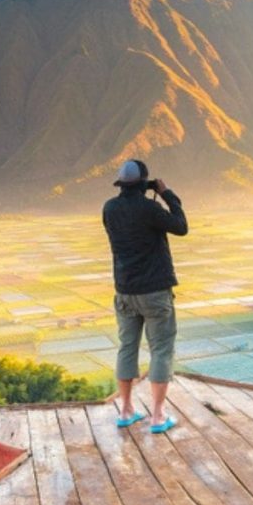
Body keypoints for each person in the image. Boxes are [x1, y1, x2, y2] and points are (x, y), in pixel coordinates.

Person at [102, 158, 188, 433]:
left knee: (127, 347)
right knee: (161, 349)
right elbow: (180, 226)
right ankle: (158, 416)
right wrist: (166, 194)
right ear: (143, 183)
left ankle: (126, 410)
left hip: (125, 290)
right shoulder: (150, 208)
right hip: (154, 292)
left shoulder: (110, 208)